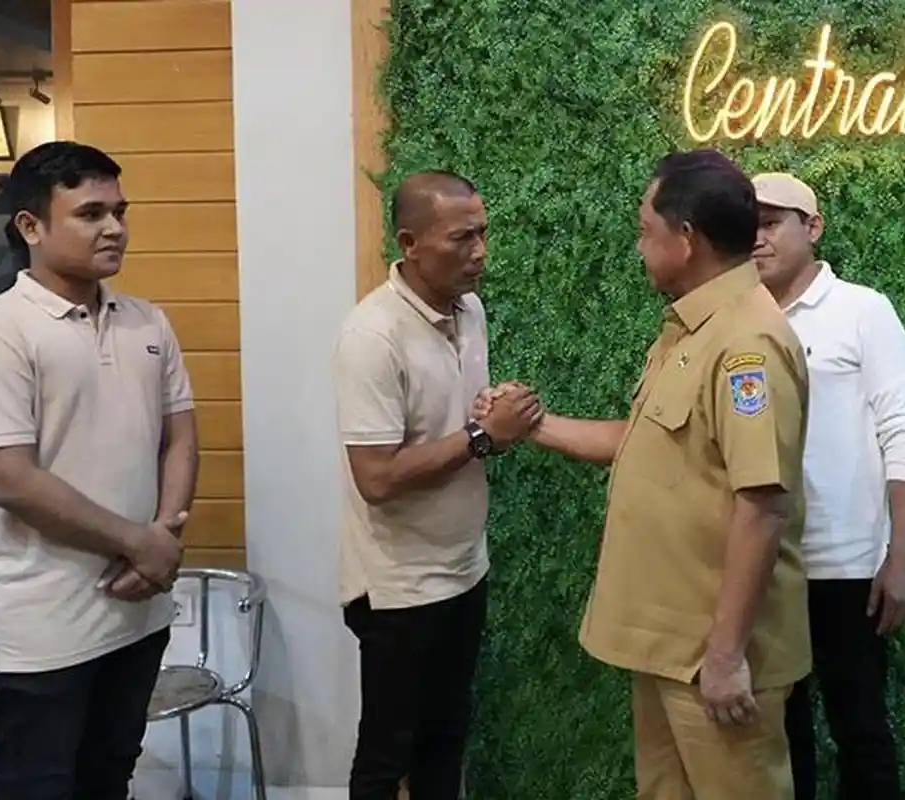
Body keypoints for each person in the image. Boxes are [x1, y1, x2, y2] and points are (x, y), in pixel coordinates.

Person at [479, 150, 812, 798]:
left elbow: (763, 505)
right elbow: (643, 444)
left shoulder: (747, 344)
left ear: (685, 239)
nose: (638, 246)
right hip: (669, 649)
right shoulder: (690, 329)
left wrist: (724, 656)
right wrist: (531, 425)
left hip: (711, 657)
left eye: (644, 230)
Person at [0, 140, 197, 799]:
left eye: (120, 211)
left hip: (137, 615)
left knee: (109, 780)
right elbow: (12, 479)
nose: (114, 228)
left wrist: (164, 535)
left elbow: (179, 437)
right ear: (31, 226)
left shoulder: (147, 321)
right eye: (90, 214)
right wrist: (140, 542)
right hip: (40, 627)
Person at [331, 170, 541, 799]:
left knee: (446, 740)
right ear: (409, 243)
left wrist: (492, 410)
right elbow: (376, 477)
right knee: (387, 754)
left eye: (483, 233)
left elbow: (456, 418)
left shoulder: (470, 310)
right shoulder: (372, 336)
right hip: (398, 584)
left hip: (464, 567)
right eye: (461, 238)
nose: (480, 252)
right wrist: (482, 437)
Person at [750, 172, 905, 800]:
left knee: (862, 729)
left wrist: (900, 559)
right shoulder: (739, 320)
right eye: (748, 225)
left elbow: (902, 432)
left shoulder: (863, 310)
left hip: (850, 567)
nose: (757, 238)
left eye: (772, 223)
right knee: (779, 732)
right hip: (767, 564)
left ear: (813, 227)